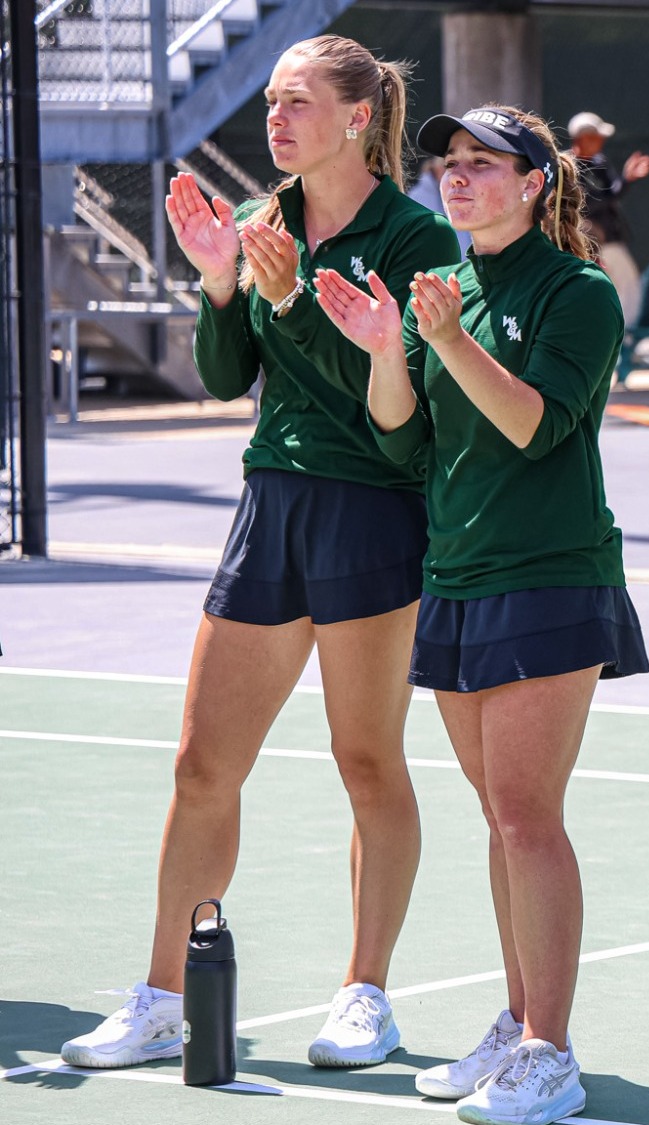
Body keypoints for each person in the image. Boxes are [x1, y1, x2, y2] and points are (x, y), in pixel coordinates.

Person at [59, 35, 459, 1074]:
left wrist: (285, 299)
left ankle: (366, 994)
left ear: (358, 117)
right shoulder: (259, 222)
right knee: (202, 766)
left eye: (295, 102)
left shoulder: (416, 239)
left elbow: (397, 417)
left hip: (374, 511)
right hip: (270, 504)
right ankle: (161, 996)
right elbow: (224, 376)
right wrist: (222, 285)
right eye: (271, 102)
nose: (275, 120)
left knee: (365, 761)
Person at [316, 103, 647, 1125]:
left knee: (524, 816)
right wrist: (386, 347)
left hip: (550, 574)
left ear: (537, 181)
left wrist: (446, 339)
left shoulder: (579, 293)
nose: (456, 179)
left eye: (481, 164)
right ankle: (516, 1020)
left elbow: (532, 426)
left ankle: (551, 1052)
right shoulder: (443, 293)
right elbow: (400, 446)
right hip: (455, 576)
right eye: (448, 164)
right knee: (499, 823)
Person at [568, 110, 649, 328]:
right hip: (584, 242)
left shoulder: (599, 161)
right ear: (582, 138)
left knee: (626, 286)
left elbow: (611, 195)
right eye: (596, 136)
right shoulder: (567, 165)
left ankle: (623, 334)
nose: (601, 141)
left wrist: (627, 178)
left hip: (610, 237)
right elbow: (586, 204)